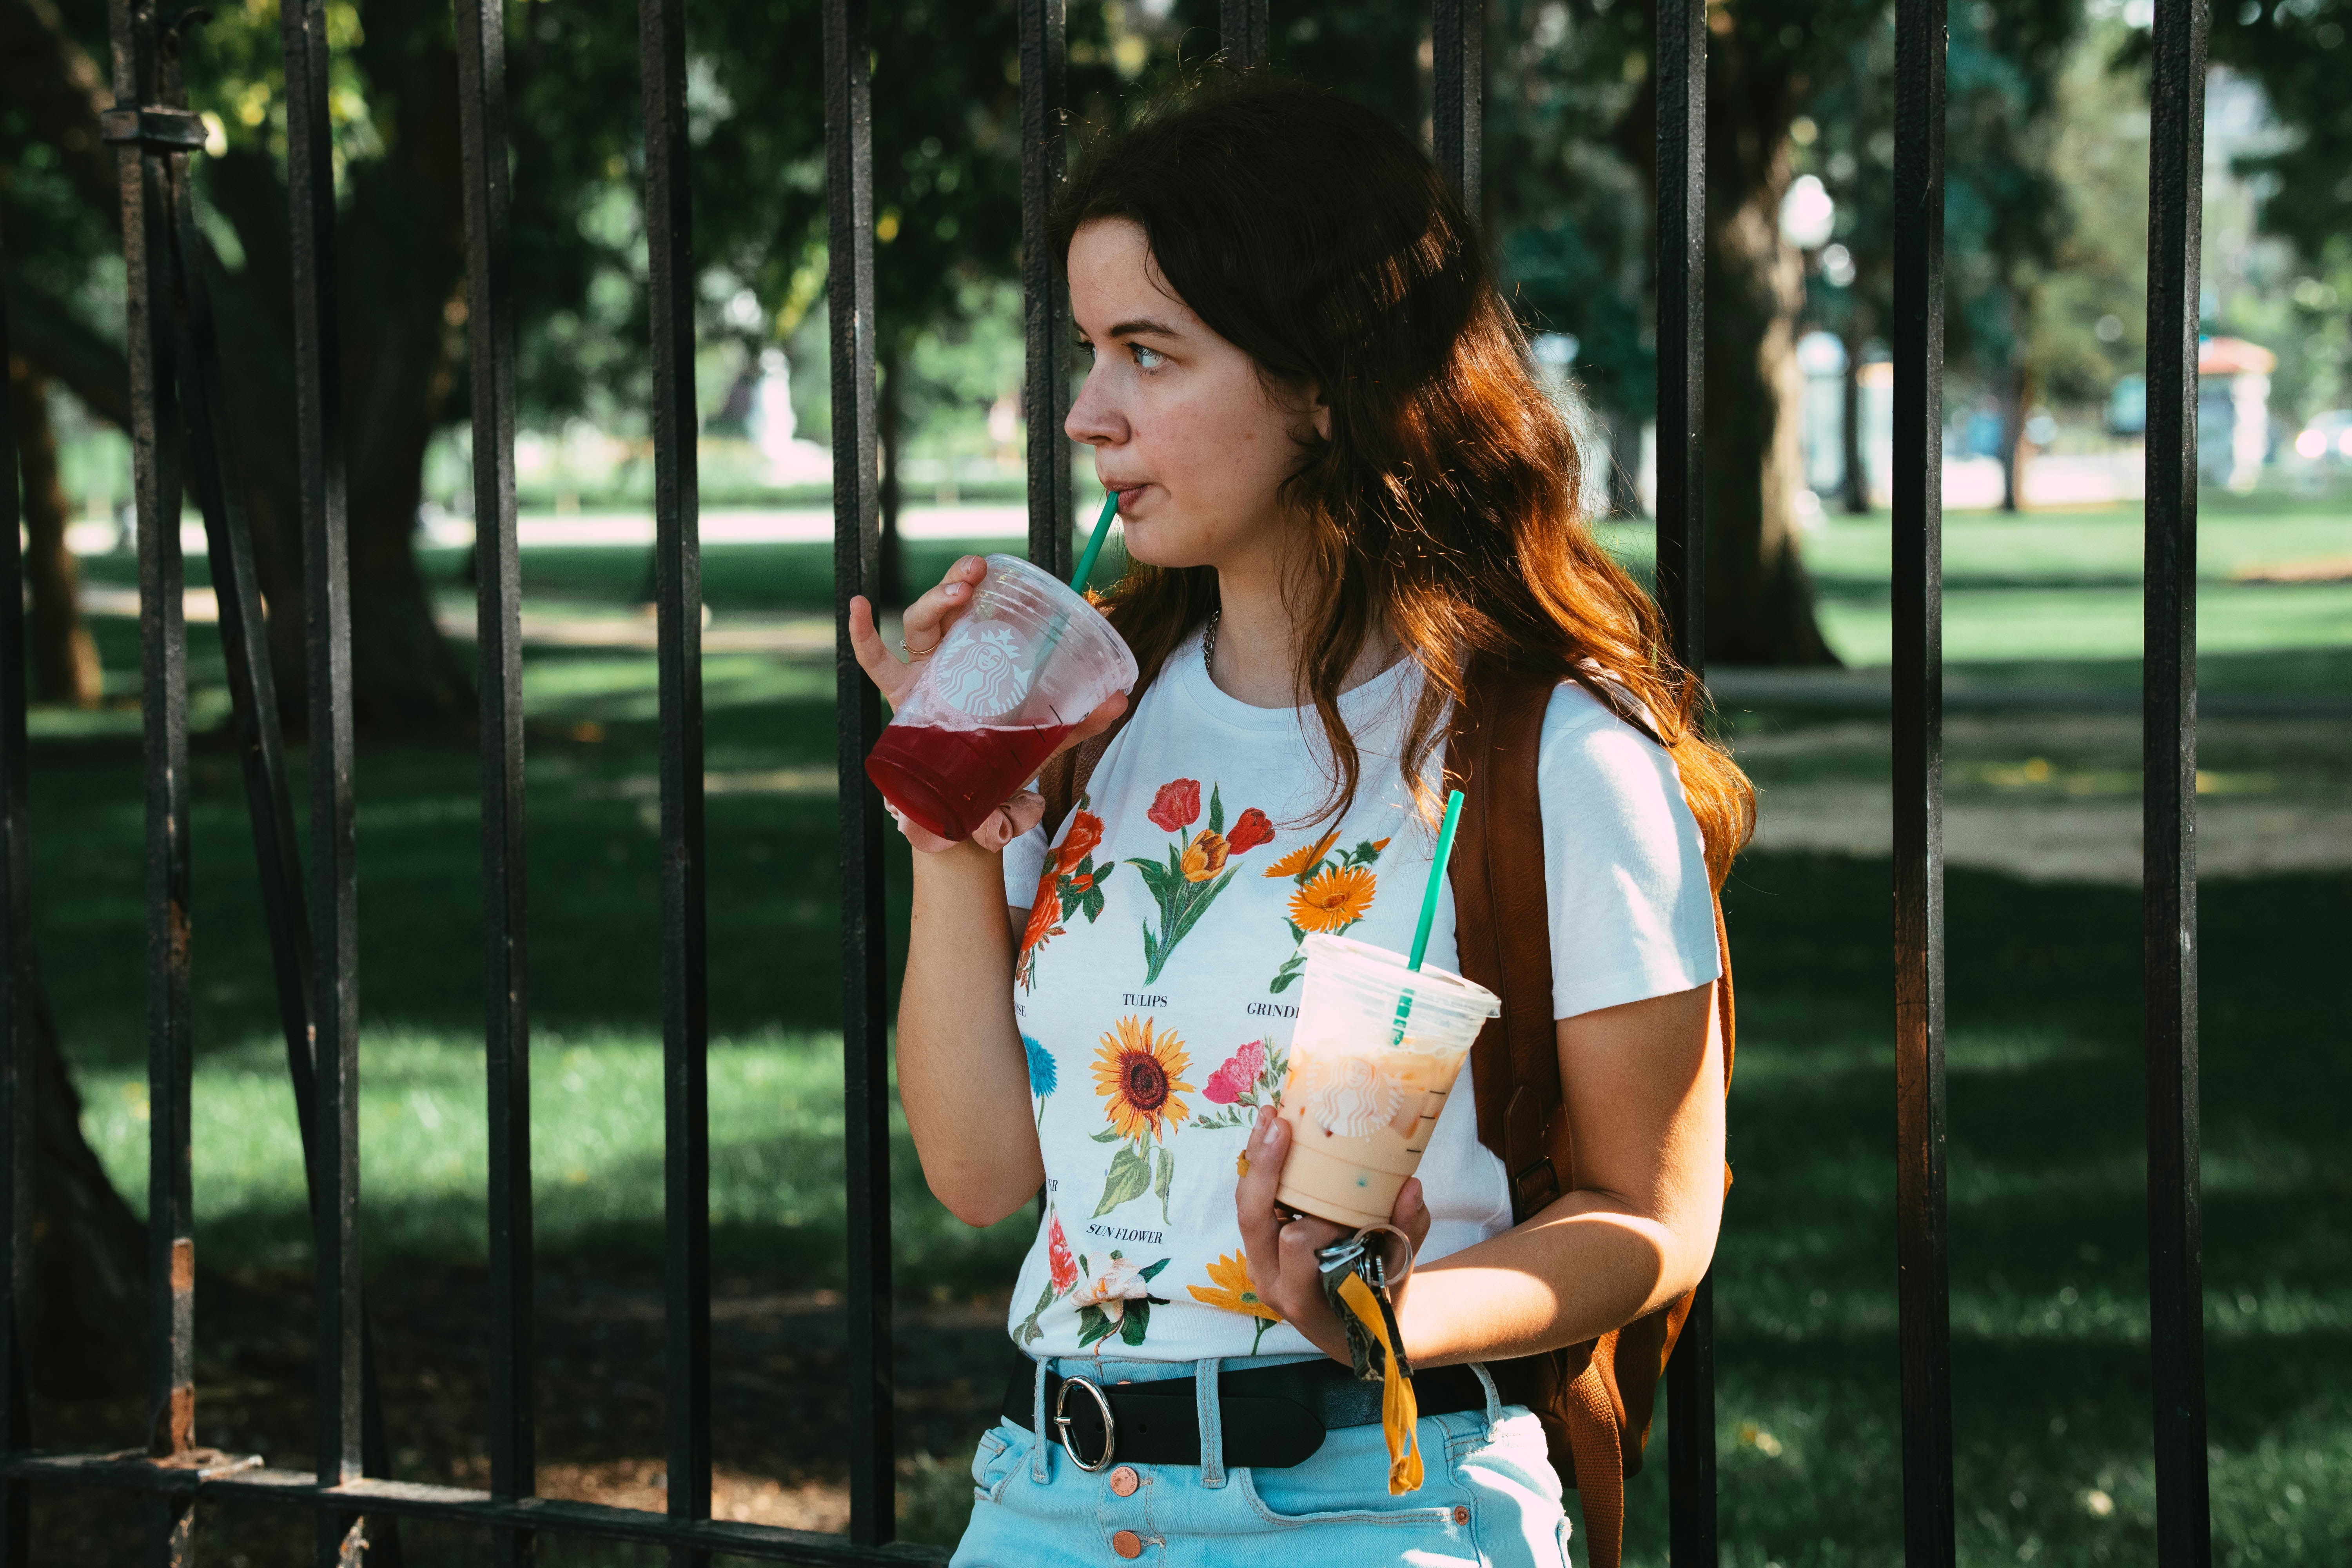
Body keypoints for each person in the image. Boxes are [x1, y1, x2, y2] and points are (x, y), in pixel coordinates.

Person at [848, 74, 1751, 1568]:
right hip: (1050, 1504)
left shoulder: (1549, 752)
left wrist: (1390, 1315)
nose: (1088, 414)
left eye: (1151, 353)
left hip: (1374, 1503)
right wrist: (953, 827)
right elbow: (979, 1175)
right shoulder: (1087, 720)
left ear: (1327, 381)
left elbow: (1655, 1219)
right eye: (1090, 353)